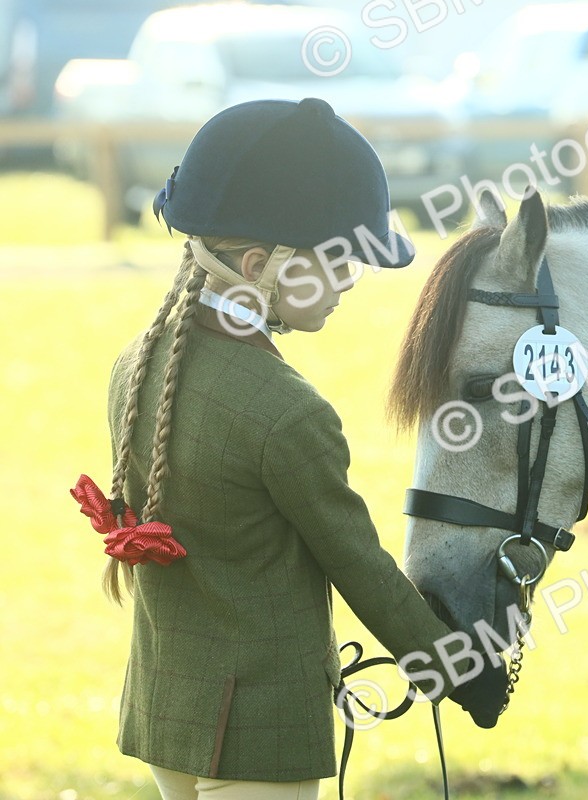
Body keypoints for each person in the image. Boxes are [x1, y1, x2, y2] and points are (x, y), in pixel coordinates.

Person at [70, 98, 504, 799]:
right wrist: (458, 669)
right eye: (340, 267)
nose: (349, 287)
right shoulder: (289, 412)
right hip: (257, 735)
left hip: (164, 712)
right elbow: (358, 565)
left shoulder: (136, 362)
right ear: (260, 265)